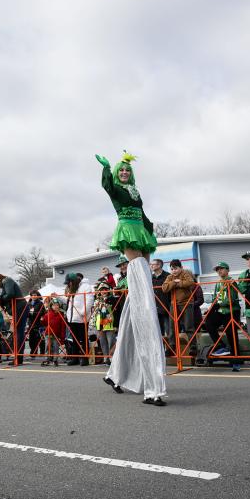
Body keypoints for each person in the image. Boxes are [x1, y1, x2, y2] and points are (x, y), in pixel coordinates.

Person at [95, 152, 166, 406]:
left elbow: (143, 212)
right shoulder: (116, 189)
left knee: (138, 298)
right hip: (127, 230)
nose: (124, 172)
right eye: (120, 170)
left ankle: (115, 375)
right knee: (144, 303)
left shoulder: (135, 191)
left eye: (127, 170)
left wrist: (150, 226)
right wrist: (106, 170)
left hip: (142, 232)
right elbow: (108, 187)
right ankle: (152, 387)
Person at [205, 262, 239, 370]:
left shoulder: (232, 281)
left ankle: (236, 360)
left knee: (231, 333)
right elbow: (216, 297)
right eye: (217, 269)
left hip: (231, 311)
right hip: (220, 311)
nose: (219, 271)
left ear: (227, 270)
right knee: (208, 323)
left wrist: (219, 304)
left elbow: (232, 299)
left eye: (221, 269)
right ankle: (221, 346)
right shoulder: (218, 283)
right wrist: (212, 307)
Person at [162, 259, 199, 353]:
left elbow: (190, 282)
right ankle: (171, 346)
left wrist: (179, 283)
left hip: (186, 303)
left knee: (188, 326)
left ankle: (193, 346)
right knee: (172, 327)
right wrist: (175, 282)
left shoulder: (185, 273)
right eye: (172, 269)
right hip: (174, 304)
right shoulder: (170, 277)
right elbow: (164, 288)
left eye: (176, 268)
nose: (174, 271)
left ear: (181, 268)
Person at [0, 273, 28, 364]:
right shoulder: (6, 283)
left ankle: (18, 358)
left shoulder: (7, 280)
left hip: (19, 307)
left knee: (19, 333)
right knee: (18, 332)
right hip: (19, 307)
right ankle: (18, 357)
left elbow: (10, 294)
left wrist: (1, 298)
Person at [149, 259, 173, 352]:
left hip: (166, 306)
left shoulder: (168, 276)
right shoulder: (150, 277)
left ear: (159, 265)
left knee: (169, 330)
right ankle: (160, 350)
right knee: (158, 331)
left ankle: (170, 349)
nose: (151, 266)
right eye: (151, 264)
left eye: (153, 264)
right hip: (155, 307)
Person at [91, 280, 116, 365]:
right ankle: (106, 358)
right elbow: (94, 313)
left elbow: (116, 312)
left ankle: (112, 357)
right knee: (102, 342)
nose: (104, 291)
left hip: (109, 324)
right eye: (102, 290)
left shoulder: (113, 299)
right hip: (99, 324)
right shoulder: (96, 300)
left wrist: (116, 325)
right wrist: (94, 324)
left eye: (105, 289)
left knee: (111, 341)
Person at [42, 297, 66, 366]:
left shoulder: (61, 315)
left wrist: (62, 336)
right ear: (51, 306)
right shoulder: (47, 314)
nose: (56, 306)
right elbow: (44, 323)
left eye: (57, 305)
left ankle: (55, 359)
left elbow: (63, 327)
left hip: (56, 335)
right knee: (48, 346)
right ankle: (47, 358)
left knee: (55, 347)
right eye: (54, 305)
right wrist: (42, 320)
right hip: (48, 333)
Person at [23, 291, 46, 360]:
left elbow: (43, 312)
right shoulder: (28, 303)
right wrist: (29, 314)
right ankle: (33, 352)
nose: (34, 296)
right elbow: (26, 312)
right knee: (32, 340)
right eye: (32, 295)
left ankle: (42, 352)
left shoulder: (40, 303)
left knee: (40, 339)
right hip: (31, 323)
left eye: (35, 295)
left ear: (37, 295)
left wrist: (35, 314)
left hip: (39, 323)